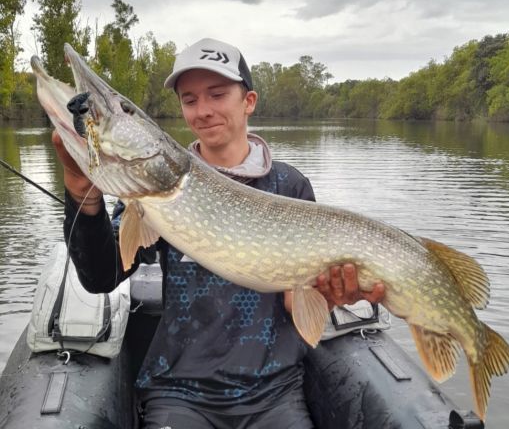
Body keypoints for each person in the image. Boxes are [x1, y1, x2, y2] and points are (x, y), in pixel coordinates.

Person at [53, 38, 385, 429]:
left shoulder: (290, 185)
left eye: (217, 94)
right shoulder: (154, 179)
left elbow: (300, 302)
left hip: (273, 390)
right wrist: (80, 189)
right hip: (179, 390)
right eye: (190, 99)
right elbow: (100, 277)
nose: (204, 110)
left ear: (249, 101)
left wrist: (334, 292)